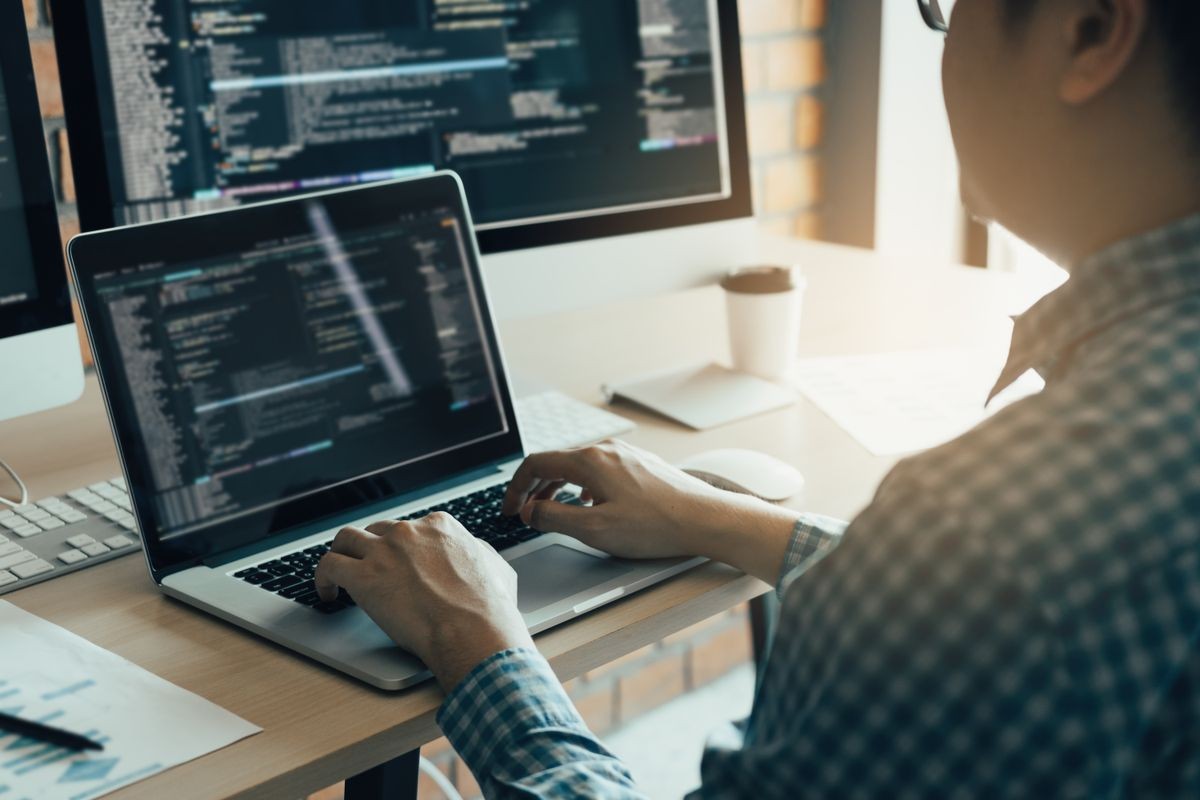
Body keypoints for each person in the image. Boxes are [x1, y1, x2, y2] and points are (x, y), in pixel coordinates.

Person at [315, 0, 1200, 795]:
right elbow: (982, 620)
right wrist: (720, 519)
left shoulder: (978, 539)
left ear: (1089, 29)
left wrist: (480, 645)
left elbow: (982, 590)